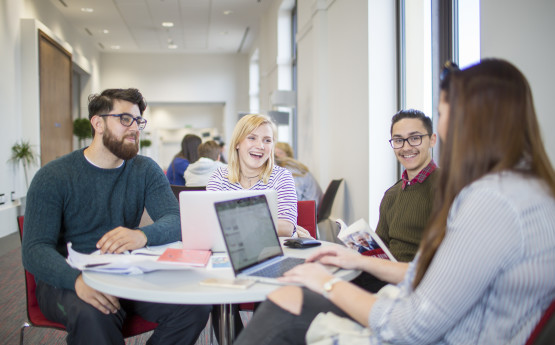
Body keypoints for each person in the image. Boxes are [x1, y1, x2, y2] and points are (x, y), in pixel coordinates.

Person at [234, 59, 555, 345]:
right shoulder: (530, 191)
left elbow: (409, 326)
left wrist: (328, 284)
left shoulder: (490, 202)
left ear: (466, 120)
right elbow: (436, 274)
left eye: (441, 116)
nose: (442, 130)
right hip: (445, 319)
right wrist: (359, 261)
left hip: (431, 329)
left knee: (286, 302)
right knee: (291, 297)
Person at [21, 88, 211, 345]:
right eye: (124, 119)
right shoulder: (54, 176)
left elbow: (175, 219)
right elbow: (34, 249)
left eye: (138, 121)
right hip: (68, 277)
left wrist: (142, 235)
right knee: (94, 314)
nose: (134, 128)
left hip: (124, 271)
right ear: (97, 123)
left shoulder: (145, 170)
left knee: (193, 306)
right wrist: (76, 281)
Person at [207, 114, 301, 237]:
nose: (260, 146)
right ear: (237, 143)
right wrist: (264, 222)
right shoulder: (219, 176)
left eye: (267, 140)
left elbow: (286, 227)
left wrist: (232, 220)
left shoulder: (282, 177)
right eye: (252, 138)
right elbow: (210, 223)